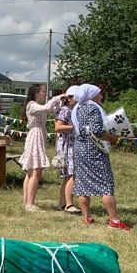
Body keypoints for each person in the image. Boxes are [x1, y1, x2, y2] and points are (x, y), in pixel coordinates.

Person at [70, 84, 128, 229]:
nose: (101, 96)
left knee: (82, 184)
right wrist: (113, 138)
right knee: (105, 184)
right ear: (92, 95)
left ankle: (86, 217)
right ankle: (114, 221)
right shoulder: (93, 108)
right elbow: (97, 131)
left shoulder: (78, 108)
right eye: (99, 94)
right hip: (94, 150)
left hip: (80, 149)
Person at [17, 84, 65, 211]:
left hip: (38, 135)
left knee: (30, 172)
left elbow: (51, 110)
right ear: (36, 93)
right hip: (35, 136)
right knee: (35, 172)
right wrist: (57, 97)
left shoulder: (38, 106)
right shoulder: (32, 105)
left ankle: (27, 202)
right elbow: (47, 107)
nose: (45, 93)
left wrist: (61, 101)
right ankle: (30, 204)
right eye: (44, 91)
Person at [54, 86, 80, 214]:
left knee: (67, 176)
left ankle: (62, 203)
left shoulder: (72, 109)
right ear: (70, 98)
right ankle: (69, 204)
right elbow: (58, 127)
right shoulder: (65, 110)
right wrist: (74, 127)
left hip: (69, 144)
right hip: (66, 146)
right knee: (72, 175)